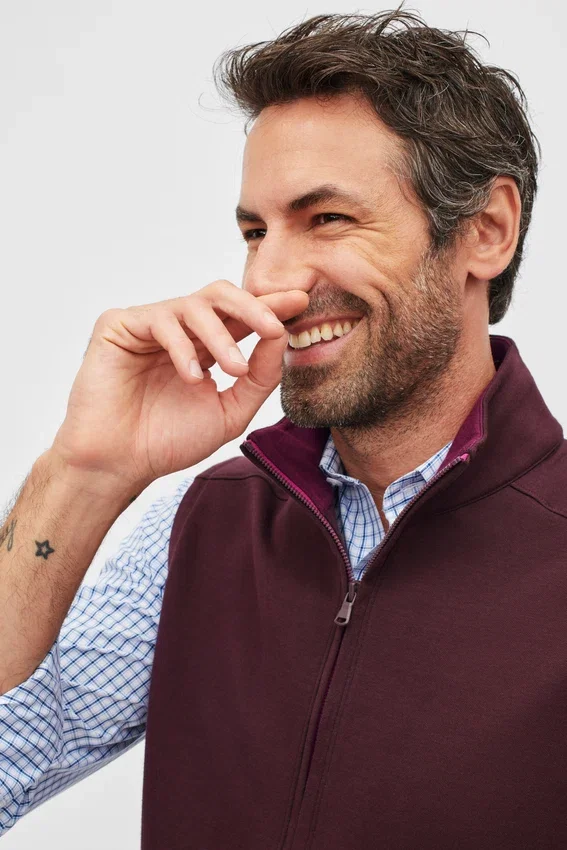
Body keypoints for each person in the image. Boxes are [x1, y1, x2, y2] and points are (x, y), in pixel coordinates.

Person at [0, 8, 563, 849]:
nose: (268, 281)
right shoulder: (201, 527)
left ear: (485, 231)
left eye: (326, 218)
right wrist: (83, 473)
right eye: (255, 232)